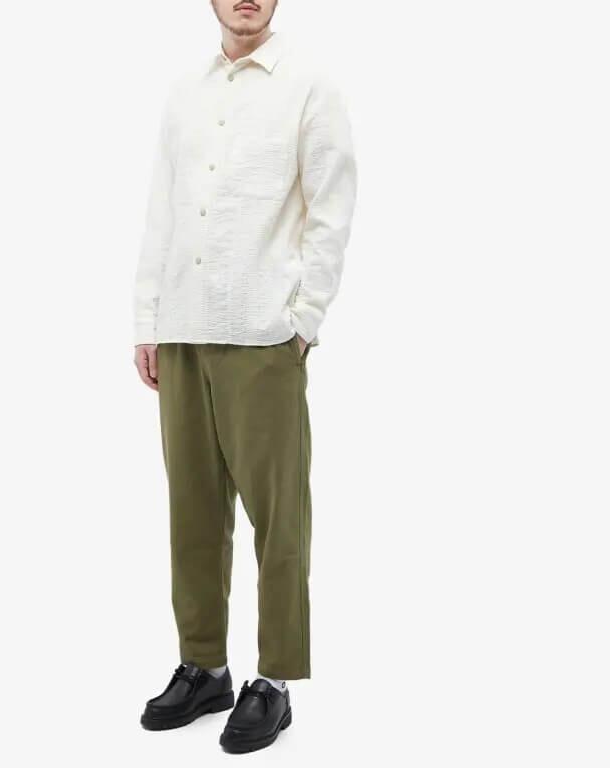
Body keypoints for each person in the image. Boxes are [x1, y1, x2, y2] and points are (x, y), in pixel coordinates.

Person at [132, 0, 357, 753]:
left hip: (263, 335)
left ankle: (276, 680)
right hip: (183, 328)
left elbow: (331, 209)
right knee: (192, 512)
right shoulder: (184, 93)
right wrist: (148, 320)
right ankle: (204, 667)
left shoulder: (310, 86)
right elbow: (162, 211)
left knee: (278, 517)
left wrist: (304, 320)